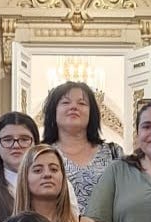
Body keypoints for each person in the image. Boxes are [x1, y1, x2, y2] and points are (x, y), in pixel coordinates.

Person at [41, 80, 122, 211]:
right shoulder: (41, 153)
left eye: (82, 103)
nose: (73, 107)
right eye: (66, 102)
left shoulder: (114, 152)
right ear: (53, 112)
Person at [14, 144, 105, 222]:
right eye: (38, 170)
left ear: (63, 177)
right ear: (25, 179)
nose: (47, 174)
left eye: (54, 169)